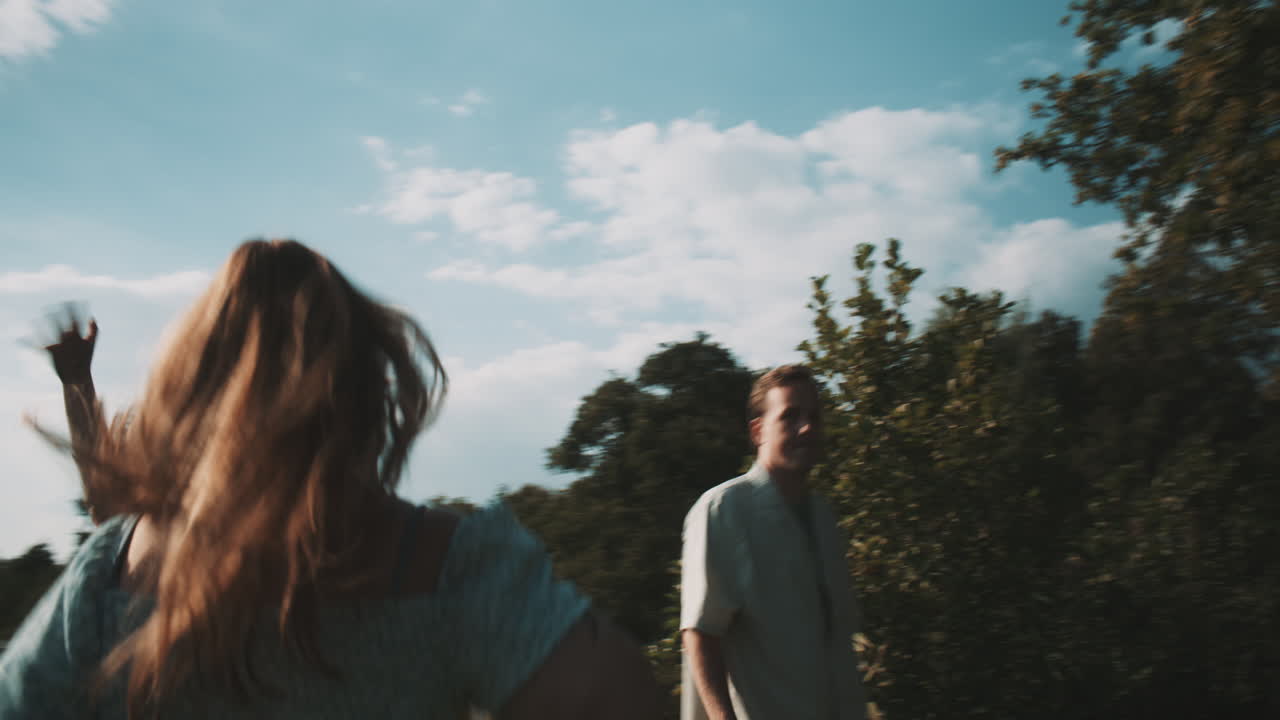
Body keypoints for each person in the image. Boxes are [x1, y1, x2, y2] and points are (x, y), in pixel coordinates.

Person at [1, 239, 660, 719]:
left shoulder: (107, 578)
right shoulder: (451, 569)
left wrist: (77, 386)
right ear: (368, 388)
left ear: (191, 392)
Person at [679, 365, 867, 720]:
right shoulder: (724, 509)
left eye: (814, 417)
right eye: (790, 416)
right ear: (758, 431)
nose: (806, 427)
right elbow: (701, 633)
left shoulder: (823, 518)